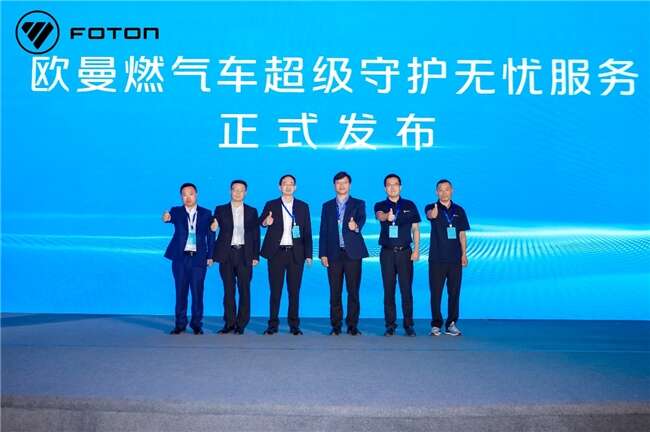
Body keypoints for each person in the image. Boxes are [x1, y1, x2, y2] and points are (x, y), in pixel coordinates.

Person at [259, 174, 313, 335]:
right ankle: (272, 325)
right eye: (284, 183)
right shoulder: (271, 204)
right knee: (275, 291)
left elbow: (307, 231)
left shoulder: (303, 206)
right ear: (279, 187)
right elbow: (261, 222)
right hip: (276, 253)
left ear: (295, 187)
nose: (288, 186)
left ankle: (294, 325)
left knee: (294, 291)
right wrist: (266, 222)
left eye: (291, 184)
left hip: (296, 254)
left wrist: (308, 254)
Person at [319, 171, 369, 336]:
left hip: (352, 254)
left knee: (353, 291)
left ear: (350, 185)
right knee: (335, 292)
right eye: (338, 183)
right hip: (333, 254)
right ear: (334, 185)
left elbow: (361, 219)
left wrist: (356, 226)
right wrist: (323, 254)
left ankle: (352, 325)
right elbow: (323, 230)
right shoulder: (327, 206)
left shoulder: (358, 203)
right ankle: (336, 326)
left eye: (345, 182)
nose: (342, 185)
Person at [162, 182, 215, 335]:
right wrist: (166, 218)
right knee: (180, 292)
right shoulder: (176, 211)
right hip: (180, 258)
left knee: (198, 293)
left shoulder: (206, 213)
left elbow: (211, 235)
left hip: (199, 259)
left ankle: (197, 324)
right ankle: (180, 324)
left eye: (190, 194)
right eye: (184, 195)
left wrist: (210, 256)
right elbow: (168, 218)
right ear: (181, 197)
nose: (188, 197)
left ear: (196, 194)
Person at [374, 174, 421, 337]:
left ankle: (409, 325)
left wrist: (416, 250)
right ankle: (390, 325)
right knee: (389, 290)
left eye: (395, 184)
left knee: (406, 290)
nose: (392, 187)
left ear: (400, 187)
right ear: (385, 188)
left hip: (405, 253)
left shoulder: (410, 205)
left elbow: (415, 229)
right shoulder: (380, 205)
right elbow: (379, 215)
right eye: (389, 185)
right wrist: (386, 217)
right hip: (387, 253)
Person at [211, 180, 260, 335]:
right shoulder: (220, 209)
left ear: (246, 193)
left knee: (244, 290)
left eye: (241, 190)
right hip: (226, 254)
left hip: (245, 253)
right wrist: (213, 226)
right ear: (230, 191)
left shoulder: (252, 211)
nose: (238, 193)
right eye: (235, 189)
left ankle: (241, 324)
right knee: (228, 290)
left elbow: (256, 234)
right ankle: (229, 323)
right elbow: (213, 228)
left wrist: (255, 256)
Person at [424, 179, 470, 336]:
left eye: (447, 189)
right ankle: (436, 324)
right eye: (441, 190)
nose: (444, 192)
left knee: (454, 292)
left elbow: (462, 234)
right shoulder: (431, 207)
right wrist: (433, 214)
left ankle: (451, 323)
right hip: (436, 259)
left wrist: (464, 254)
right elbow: (430, 215)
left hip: (455, 258)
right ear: (436, 192)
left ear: (452, 191)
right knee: (436, 293)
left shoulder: (459, 210)